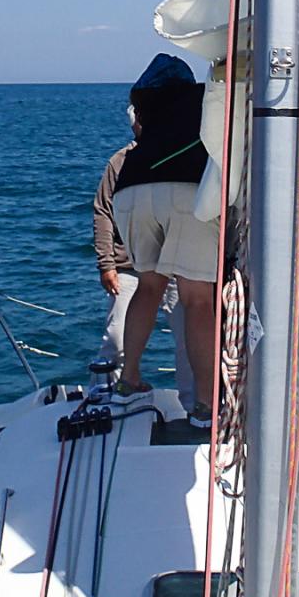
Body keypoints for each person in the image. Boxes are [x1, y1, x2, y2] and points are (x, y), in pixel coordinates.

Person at [112, 54, 218, 427]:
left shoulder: (145, 106)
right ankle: (205, 404)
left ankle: (128, 380)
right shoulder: (203, 100)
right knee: (197, 298)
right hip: (186, 189)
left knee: (148, 286)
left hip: (131, 191)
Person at [91, 123, 196, 412]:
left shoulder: (182, 155)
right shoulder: (119, 162)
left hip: (175, 265)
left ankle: (194, 402)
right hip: (129, 265)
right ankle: (114, 390)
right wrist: (106, 263)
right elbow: (103, 211)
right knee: (116, 337)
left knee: (188, 337)